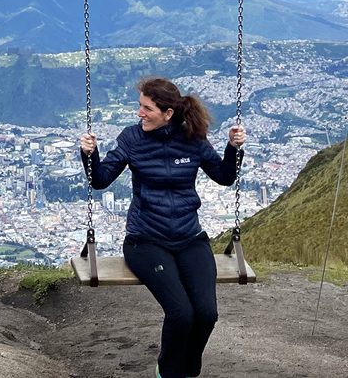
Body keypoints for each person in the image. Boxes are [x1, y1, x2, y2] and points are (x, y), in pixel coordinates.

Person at [79, 77, 247, 378]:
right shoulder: (132, 138)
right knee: (181, 314)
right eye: (140, 107)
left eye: (147, 108)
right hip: (145, 241)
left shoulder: (193, 138)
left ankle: (189, 367)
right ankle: (168, 373)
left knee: (206, 314)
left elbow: (224, 176)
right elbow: (101, 179)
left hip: (190, 238)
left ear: (168, 113)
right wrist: (90, 155)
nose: (140, 114)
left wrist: (233, 148)